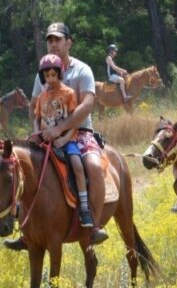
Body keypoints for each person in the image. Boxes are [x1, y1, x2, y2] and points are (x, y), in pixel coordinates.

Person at [5, 22, 108, 251]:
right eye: (50, 40)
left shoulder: (82, 70)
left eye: (58, 39)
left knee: (92, 165)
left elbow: (87, 105)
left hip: (79, 132)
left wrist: (60, 128)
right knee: (22, 167)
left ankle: (93, 225)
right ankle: (26, 231)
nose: (53, 44)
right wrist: (37, 129)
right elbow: (34, 106)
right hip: (45, 132)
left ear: (68, 42)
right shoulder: (41, 73)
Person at [33, 54, 94, 228]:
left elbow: (74, 123)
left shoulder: (69, 93)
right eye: (47, 76)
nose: (50, 79)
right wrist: (37, 134)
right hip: (44, 141)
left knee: (77, 164)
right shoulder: (41, 97)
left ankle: (84, 207)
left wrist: (63, 139)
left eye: (53, 75)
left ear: (60, 74)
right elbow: (36, 119)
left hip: (67, 140)